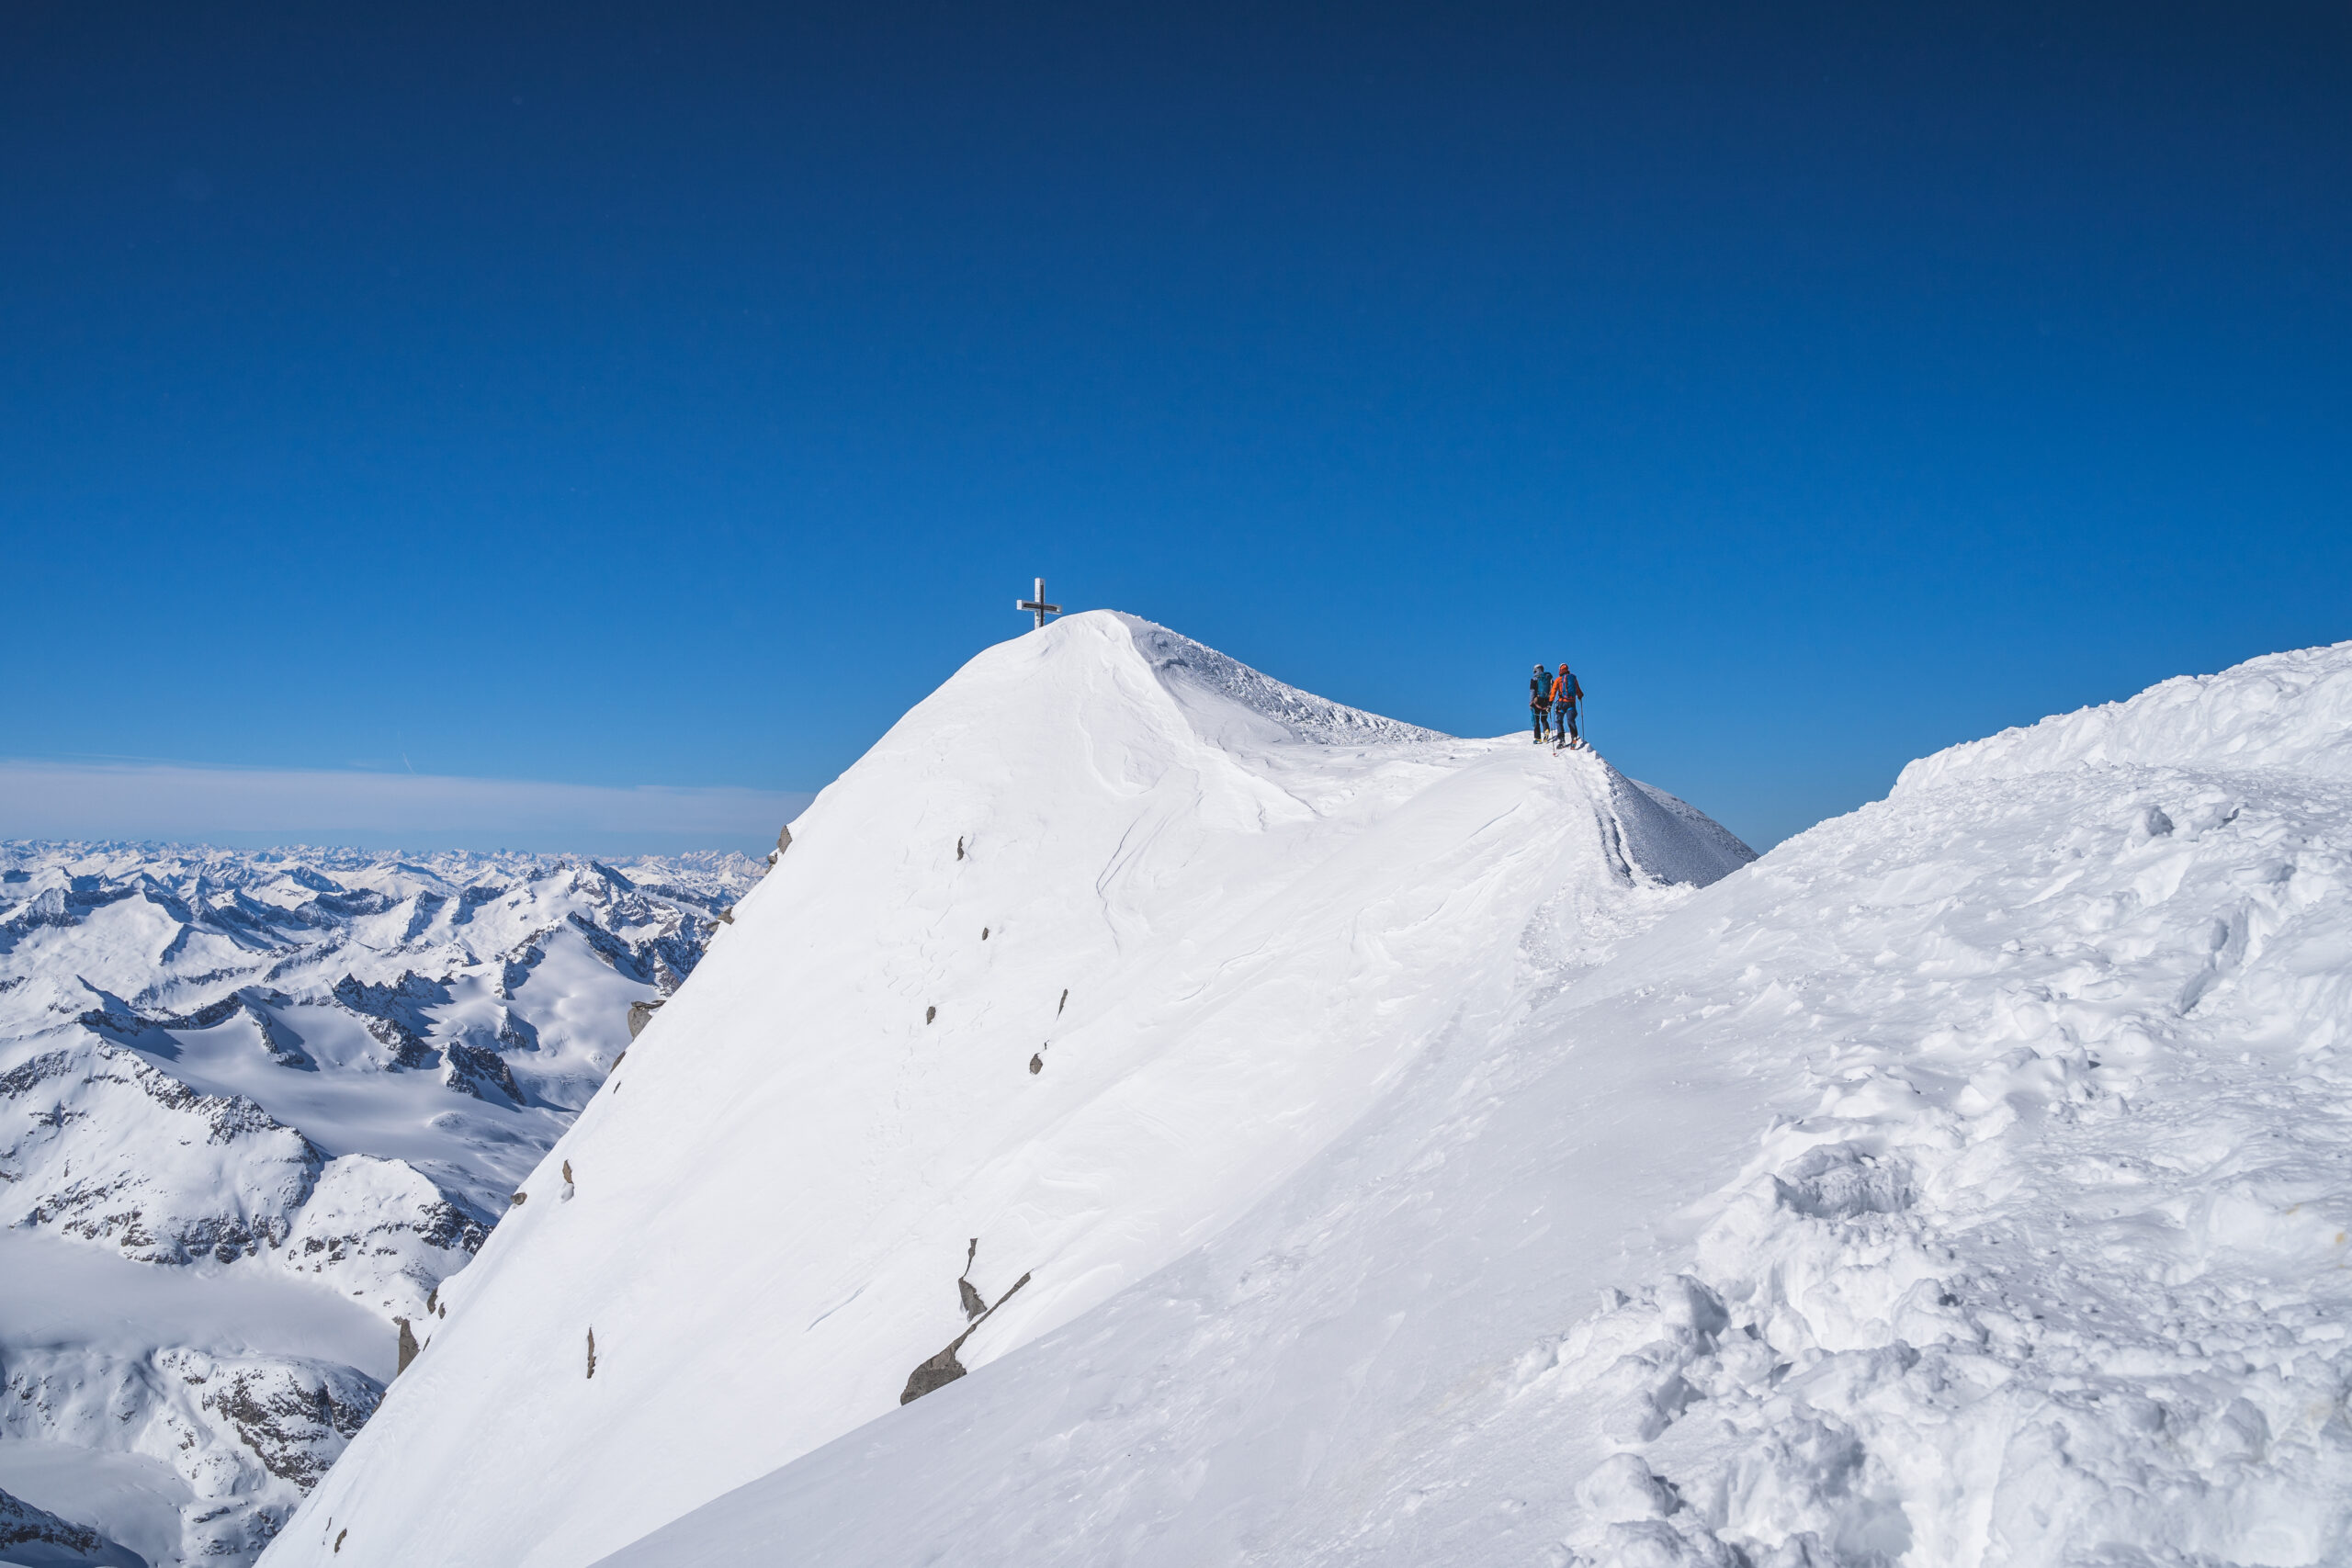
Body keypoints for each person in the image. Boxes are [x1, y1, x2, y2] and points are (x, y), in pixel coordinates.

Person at [1549, 663, 1583, 750]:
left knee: (1559, 721)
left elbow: (1553, 692)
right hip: (1571, 703)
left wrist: (1550, 703)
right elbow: (1578, 690)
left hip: (1562, 704)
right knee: (1570, 720)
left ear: (1560, 670)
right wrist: (1580, 696)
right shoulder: (1573, 678)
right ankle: (1574, 737)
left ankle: (1562, 740)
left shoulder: (1558, 680)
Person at [1529, 662, 1553, 744]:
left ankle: (1538, 738)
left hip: (1537, 701)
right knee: (1544, 719)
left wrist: (1531, 702)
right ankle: (1546, 730)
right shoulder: (1548, 678)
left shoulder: (1534, 678)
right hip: (1546, 700)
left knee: (1536, 719)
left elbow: (1532, 691)